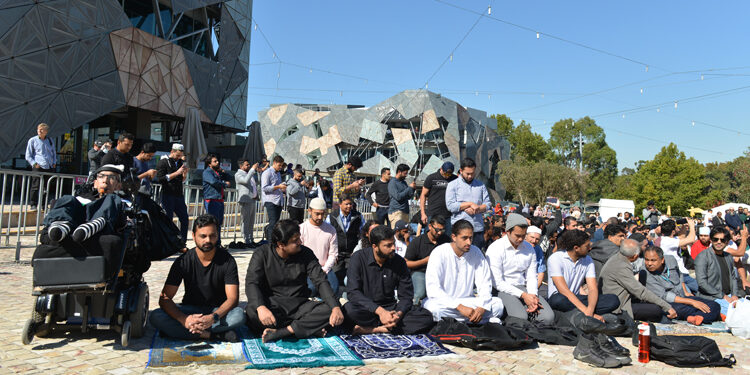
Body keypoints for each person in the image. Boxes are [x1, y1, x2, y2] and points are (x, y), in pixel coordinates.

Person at [245, 219, 344, 342]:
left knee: (332, 308)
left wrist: (335, 307)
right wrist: (261, 308)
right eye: (295, 241)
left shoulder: (306, 253)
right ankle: (305, 328)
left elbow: (320, 281)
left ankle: (284, 332)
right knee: (251, 312)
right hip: (273, 306)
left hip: (299, 306)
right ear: (281, 244)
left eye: (299, 238)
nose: (300, 242)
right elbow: (252, 282)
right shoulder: (262, 253)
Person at [149, 214, 245, 341]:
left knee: (239, 316)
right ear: (193, 236)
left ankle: (181, 332)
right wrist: (184, 319)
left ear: (217, 236)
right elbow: (165, 299)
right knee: (156, 316)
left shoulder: (228, 261)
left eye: (212, 236)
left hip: (217, 311)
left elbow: (233, 299)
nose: (208, 240)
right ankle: (212, 335)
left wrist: (213, 318)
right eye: (203, 236)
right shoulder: (183, 261)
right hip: (190, 309)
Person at [33, 164, 129, 275]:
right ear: (95, 182)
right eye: (101, 176)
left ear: (119, 185)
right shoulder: (82, 199)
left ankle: (96, 224)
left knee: (111, 198)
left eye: (111, 177)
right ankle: (61, 224)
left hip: (100, 227)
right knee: (67, 199)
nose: (105, 181)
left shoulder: (119, 201)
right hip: (75, 226)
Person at [344, 225, 435, 334]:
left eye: (393, 244)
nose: (393, 248)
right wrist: (380, 312)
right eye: (388, 245)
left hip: (391, 308)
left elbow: (406, 296)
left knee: (426, 316)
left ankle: (374, 329)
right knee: (348, 311)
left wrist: (397, 315)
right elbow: (353, 293)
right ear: (375, 246)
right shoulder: (358, 258)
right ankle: (383, 328)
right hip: (367, 309)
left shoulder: (399, 262)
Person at [422, 219, 504, 323]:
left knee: (498, 305)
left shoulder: (476, 252)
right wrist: (459, 307)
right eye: (464, 238)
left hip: (468, 302)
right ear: (453, 237)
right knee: (432, 309)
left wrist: (481, 308)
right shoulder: (439, 252)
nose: (469, 242)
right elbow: (433, 289)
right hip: (445, 303)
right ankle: (480, 321)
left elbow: (484, 283)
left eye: (471, 238)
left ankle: (463, 320)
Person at [485, 213, 555, 324]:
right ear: (508, 232)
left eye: (523, 235)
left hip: (524, 288)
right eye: (517, 235)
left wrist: (532, 295)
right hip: (502, 289)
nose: (521, 239)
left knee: (548, 317)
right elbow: (497, 282)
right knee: (520, 318)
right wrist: (523, 296)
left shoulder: (529, 248)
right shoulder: (495, 248)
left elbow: (532, 276)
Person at [599, 239, 677, 322]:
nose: (649, 263)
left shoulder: (618, 258)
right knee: (655, 309)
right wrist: (667, 306)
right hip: (619, 307)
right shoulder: (621, 266)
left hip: (620, 299)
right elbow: (640, 291)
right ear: (635, 256)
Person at [547, 229, 619, 318]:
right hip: (562, 298)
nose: (590, 248)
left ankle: (578, 313)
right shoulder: (556, 258)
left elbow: (592, 288)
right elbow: (563, 290)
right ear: (576, 248)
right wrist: (587, 311)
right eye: (587, 246)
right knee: (557, 300)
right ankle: (580, 313)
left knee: (613, 300)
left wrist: (590, 310)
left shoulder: (588, 260)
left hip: (577, 299)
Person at [641, 246, 721, 325]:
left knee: (714, 304)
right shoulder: (644, 272)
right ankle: (708, 316)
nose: (649, 263)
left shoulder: (671, 260)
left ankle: (699, 317)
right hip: (666, 302)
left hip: (682, 296)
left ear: (662, 260)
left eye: (653, 260)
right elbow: (664, 296)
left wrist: (685, 291)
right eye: (647, 260)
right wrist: (691, 302)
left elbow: (680, 275)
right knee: (683, 309)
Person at [445, 158, 491, 249]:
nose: (470, 176)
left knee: (476, 257)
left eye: (472, 173)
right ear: (461, 171)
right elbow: (450, 206)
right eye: (467, 174)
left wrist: (477, 208)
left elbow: (488, 204)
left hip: (477, 229)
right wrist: (469, 204)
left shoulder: (481, 185)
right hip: (460, 229)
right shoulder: (452, 185)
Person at [404, 215, 449, 306]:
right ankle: (414, 309)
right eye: (437, 230)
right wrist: (425, 261)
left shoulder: (446, 240)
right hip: (421, 272)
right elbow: (406, 263)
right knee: (420, 293)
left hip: (441, 273)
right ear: (430, 227)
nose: (440, 233)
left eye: (442, 230)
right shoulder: (418, 242)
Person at [694, 226, 739, 315]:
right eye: (715, 239)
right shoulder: (703, 256)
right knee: (734, 314)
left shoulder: (728, 256)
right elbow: (702, 283)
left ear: (727, 242)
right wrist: (723, 296)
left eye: (722, 240)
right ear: (711, 240)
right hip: (712, 297)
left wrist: (734, 295)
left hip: (729, 296)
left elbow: (733, 277)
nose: (719, 242)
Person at [300, 198, 339, 296]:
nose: (320, 217)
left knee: (334, 289)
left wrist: (324, 269)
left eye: (323, 214)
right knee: (311, 289)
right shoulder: (301, 229)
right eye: (317, 214)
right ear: (309, 211)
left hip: (325, 267)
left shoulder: (331, 230)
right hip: (308, 268)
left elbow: (333, 254)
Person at [155, 144, 189, 248]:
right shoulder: (163, 162)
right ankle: (167, 242)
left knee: (184, 218)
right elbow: (160, 178)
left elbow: (181, 180)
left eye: (180, 155)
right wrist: (177, 173)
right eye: (177, 155)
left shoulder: (180, 163)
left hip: (178, 194)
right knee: (168, 219)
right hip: (167, 194)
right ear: (172, 151)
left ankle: (182, 242)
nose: (178, 157)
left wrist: (184, 174)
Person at [326, 196, 363, 287]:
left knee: (352, 276)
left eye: (350, 204)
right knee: (335, 277)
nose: (349, 206)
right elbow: (327, 236)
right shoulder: (332, 216)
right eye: (346, 204)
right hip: (337, 253)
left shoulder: (358, 216)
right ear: (340, 205)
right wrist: (331, 253)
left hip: (351, 252)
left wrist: (357, 250)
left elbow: (363, 234)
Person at [659, 219, 698, 292]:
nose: (678, 228)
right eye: (676, 227)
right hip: (679, 274)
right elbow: (691, 239)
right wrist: (692, 226)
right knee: (699, 291)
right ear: (673, 231)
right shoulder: (668, 241)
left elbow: (681, 237)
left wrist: (684, 227)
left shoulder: (666, 239)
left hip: (681, 273)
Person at [25, 123, 57, 210]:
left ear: (45, 131)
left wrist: (54, 162)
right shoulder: (32, 140)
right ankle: (33, 204)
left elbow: (54, 153)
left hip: (48, 166)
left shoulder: (50, 140)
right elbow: (28, 155)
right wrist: (35, 164)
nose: (39, 131)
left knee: (46, 187)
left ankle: (44, 204)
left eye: (41, 130)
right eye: (38, 129)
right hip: (38, 167)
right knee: (35, 186)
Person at [419, 162, 457, 234]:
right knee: (431, 236)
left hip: (449, 215)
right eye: (446, 173)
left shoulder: (455, 179)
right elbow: (423, 195)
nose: (447, 176)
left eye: (450, 174)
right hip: (433, 214)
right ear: (441, 169)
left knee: (448, 238)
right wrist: (423, 213)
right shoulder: (432, 178)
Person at [202, 154, 231, 239]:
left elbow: (229, 177)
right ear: (209, 164)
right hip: (212, 199)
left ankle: (218, 242)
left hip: (219, 199)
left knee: (218, 223)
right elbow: (213, 182)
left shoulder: (217, 172)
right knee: (212, 223)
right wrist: (224, 184)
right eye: (215, 161)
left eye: (217, 161)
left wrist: (222, 171)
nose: (217, 162)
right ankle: (213, 242)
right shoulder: (207, 172)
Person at [235, 159, 261, 247]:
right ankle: (246, 240)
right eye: (246, 165)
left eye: (249, 165)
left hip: (252, 199)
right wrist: (252, 170)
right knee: (246, 221)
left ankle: (251, 238)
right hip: (245, 200)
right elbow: (245, 181)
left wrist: (258, 172)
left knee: (251, 221)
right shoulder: (238, 174)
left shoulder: (249, 173)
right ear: (241, 166)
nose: (249, 166)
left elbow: (257, 182)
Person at [261, 155, 287, 241]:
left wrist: (282, 187)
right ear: (274, 163)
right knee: (272, 223)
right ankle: (270, 242)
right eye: (279, 165)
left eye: (281, 166)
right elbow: (264, 188)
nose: (280, 167)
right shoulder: (267, 173)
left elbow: (277, 186)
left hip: (278, 200)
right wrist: (278, 186)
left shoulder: (278, 173)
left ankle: (273, 240)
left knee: (276, 223)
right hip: (270, 200)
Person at [387, 164, 416, 228]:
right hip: (396, 211)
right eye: (405, 173)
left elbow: (408, 196)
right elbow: (398, 197)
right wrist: (409, 188)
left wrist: (412, 189)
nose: (406, 175)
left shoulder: (404, 182)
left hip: (405, 211)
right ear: (399, 172)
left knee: (404, 232)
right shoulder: (392, 182)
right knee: (397, 232)